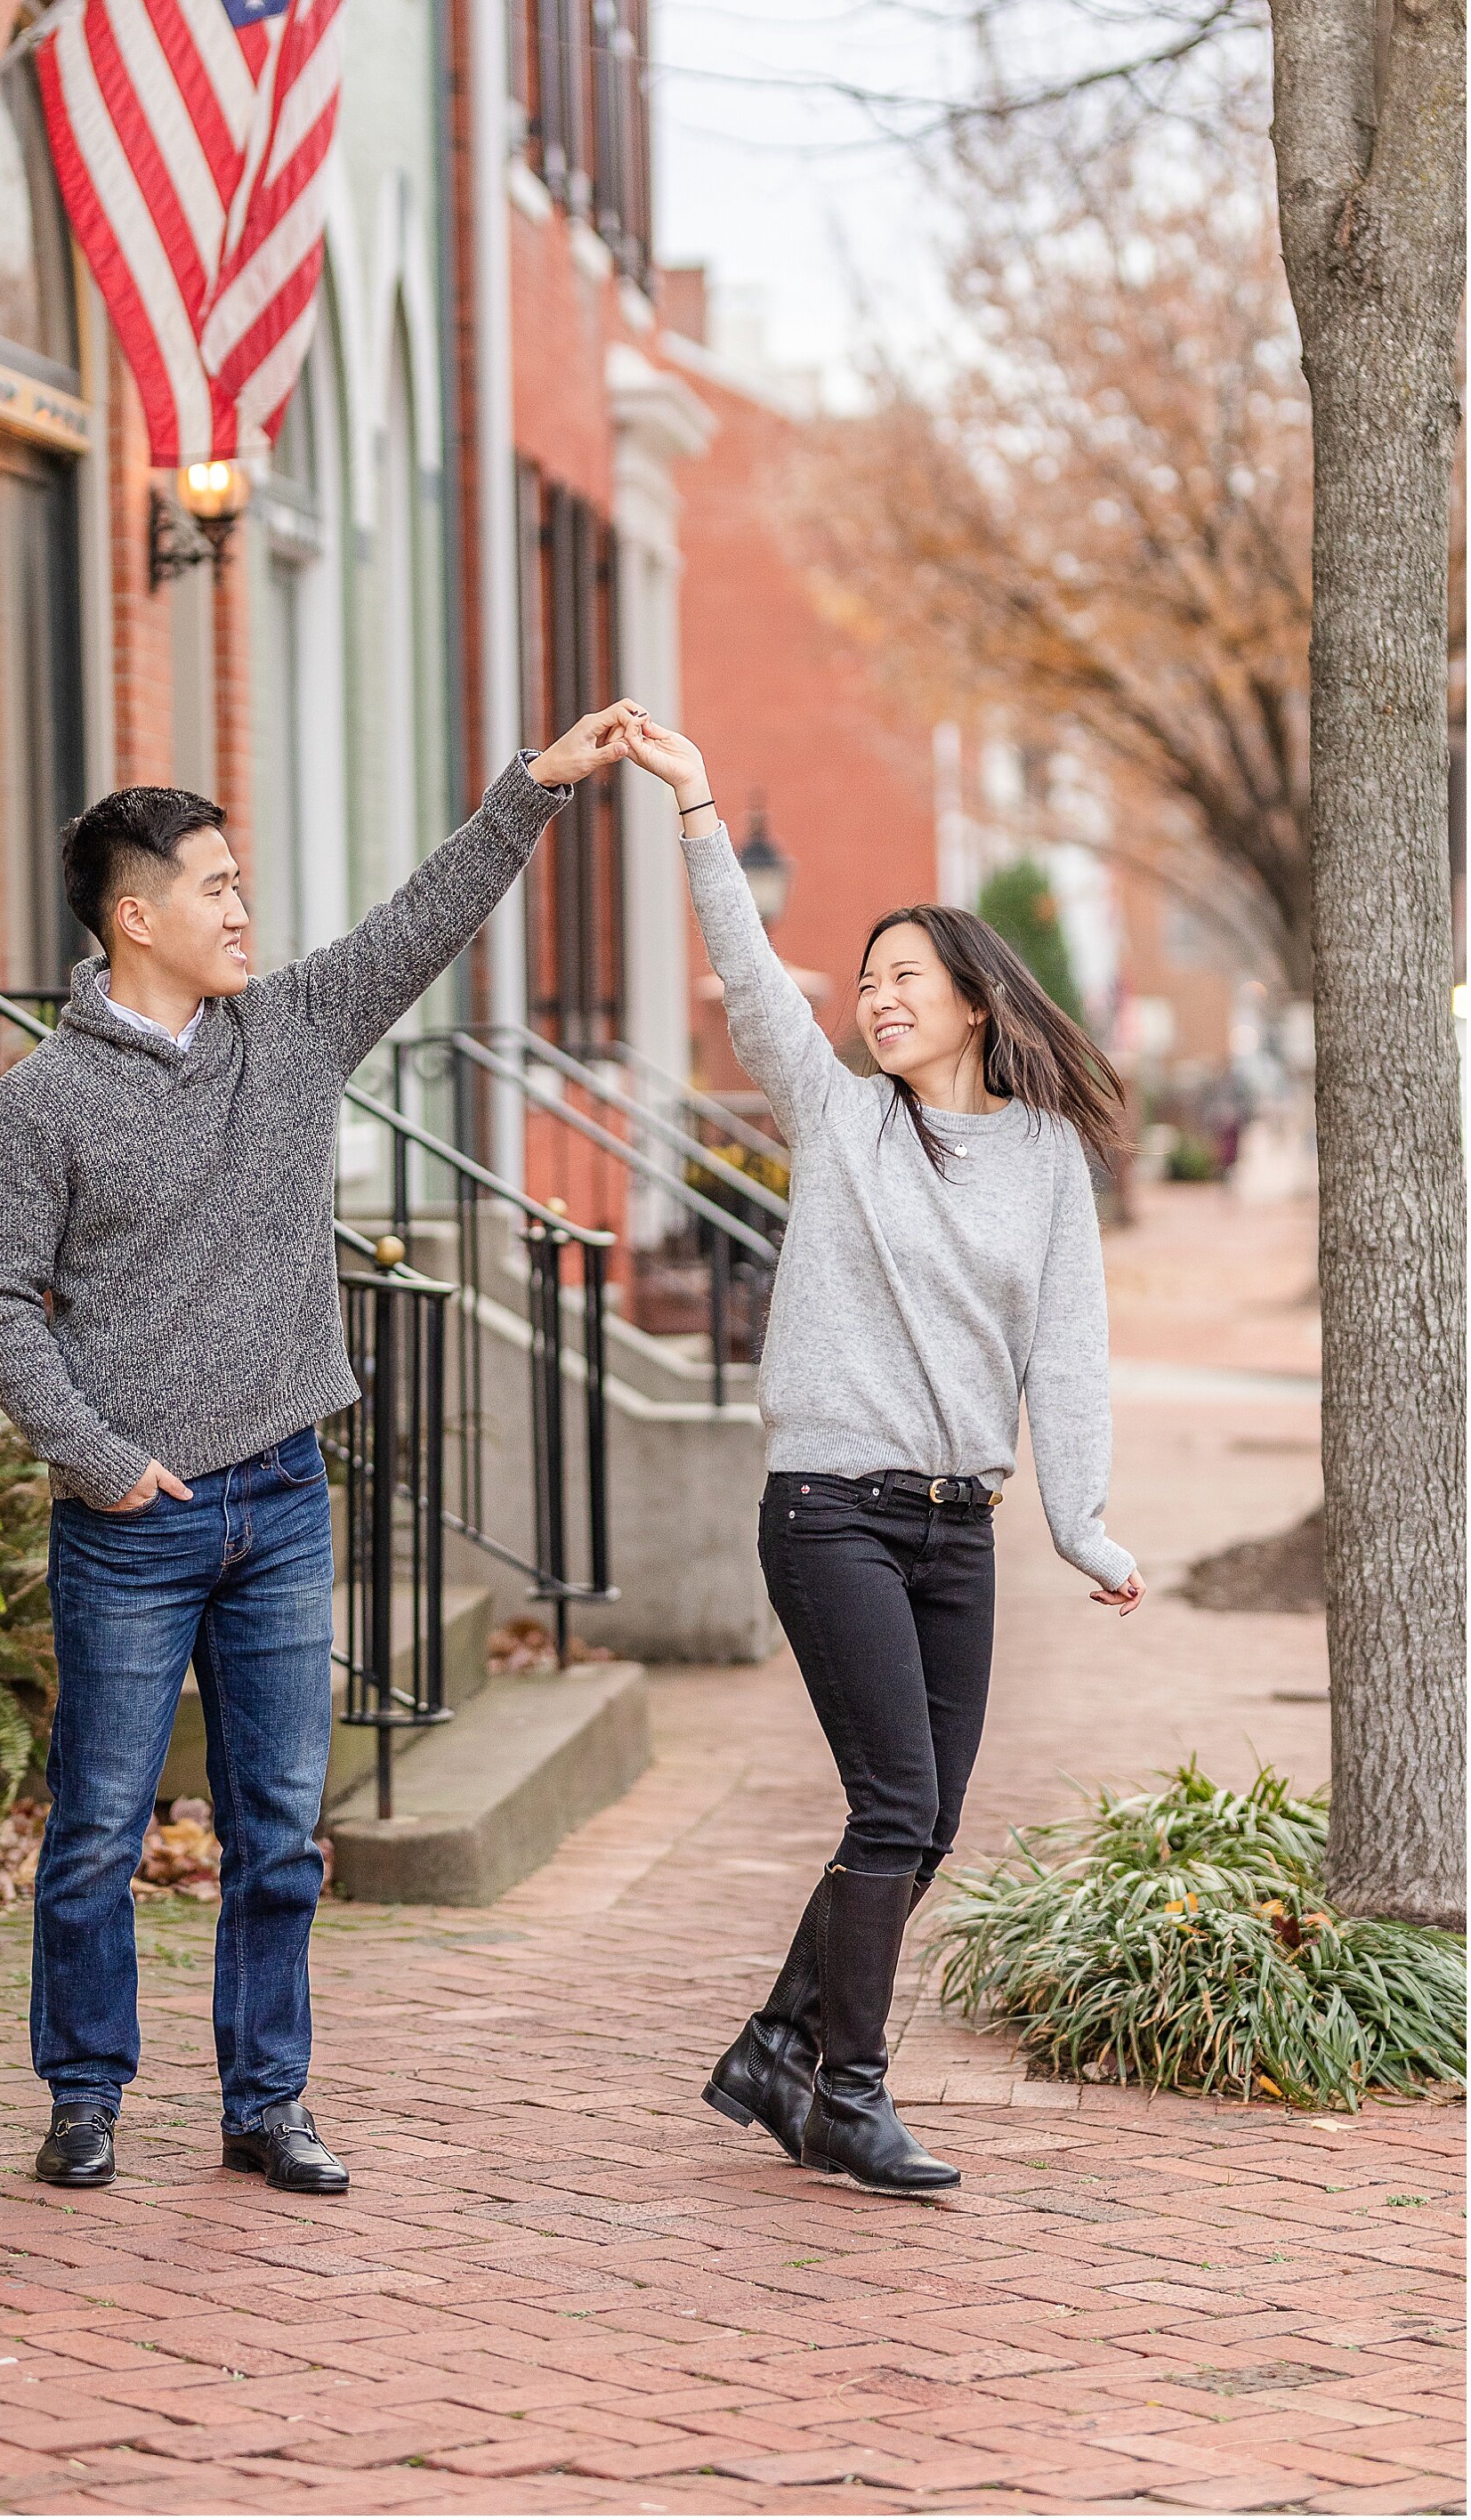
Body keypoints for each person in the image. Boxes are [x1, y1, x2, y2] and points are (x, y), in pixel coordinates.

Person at [0, 709, 639, 2197]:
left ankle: (266, 2104)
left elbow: (424, 920)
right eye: (213, 886)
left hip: (282, 1496)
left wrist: (532, 792)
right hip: (131, 1517)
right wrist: (99, 1460)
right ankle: (85, 2095)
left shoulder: (293, 1031)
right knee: (96, 1834)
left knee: (278, 1831)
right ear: (135, 917)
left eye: (241, 882)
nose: (241, 908)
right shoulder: (39, 1106)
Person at [622, 712, 1144, 2199]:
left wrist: (1082, 1524)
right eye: (864, 982)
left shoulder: (1043, 1159)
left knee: (924, 1824)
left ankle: (773, 2050)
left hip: (954, 1527)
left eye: (905, 976)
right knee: (894, 1805)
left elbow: (1069, 1346)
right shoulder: (839, 1122)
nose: (875, 998)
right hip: (832, 1512)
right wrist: (699, 807)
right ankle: (846, 2090)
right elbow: (740, 966)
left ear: (977, 999)